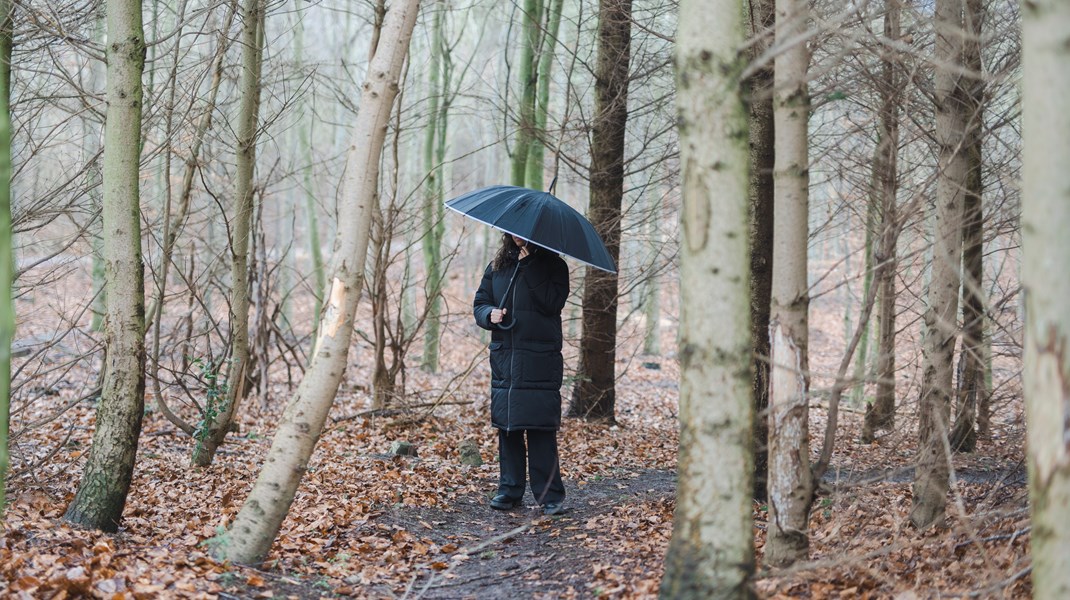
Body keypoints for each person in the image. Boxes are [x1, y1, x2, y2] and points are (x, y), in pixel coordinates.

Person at [473, 233, 570, 516]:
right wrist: (488, 314)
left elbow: (552, 303)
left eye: (524, 234)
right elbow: (480, 301)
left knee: (540, 429)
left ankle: (550, 496)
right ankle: (509, 489)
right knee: (508, 427)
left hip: (540, 359)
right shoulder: (498, 265)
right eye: (512, 232)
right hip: (505, 358)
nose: (517, 237)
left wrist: (532, 268)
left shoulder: (554, 266)